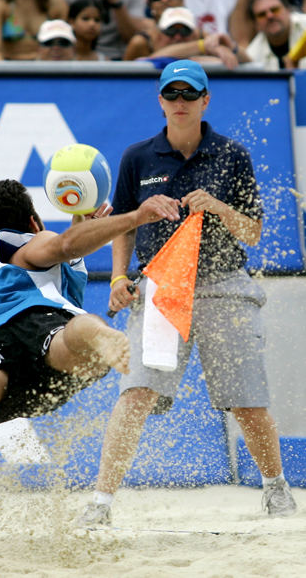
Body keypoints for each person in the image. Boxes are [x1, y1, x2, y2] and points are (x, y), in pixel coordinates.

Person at [77, 59, 297, 526]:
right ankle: (101, 504)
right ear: (160, 101)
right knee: (135, 392)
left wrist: (216, 205)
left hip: (223, 286)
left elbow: (254, 233)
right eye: (171, 95)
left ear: (205, 101)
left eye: (189, 95)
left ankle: (276, 490)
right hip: (159, 288)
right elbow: (124, 228)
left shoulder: (232, 154)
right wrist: (118, 279)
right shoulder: (138, 157)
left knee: (247, 398)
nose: (180, 102)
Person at [0, 179, 178, 428]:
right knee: (77, 337)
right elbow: (65, 246)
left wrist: (83, 229)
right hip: (36, 327)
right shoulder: (29, 244)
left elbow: (69, 250)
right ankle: (96, 333)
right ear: (34, 223)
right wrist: (135, 218)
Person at [124, 6, 250, 69]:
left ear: (195, 33)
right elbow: (158, 58)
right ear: (159, 33)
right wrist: (202, 46)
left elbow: (249, 61)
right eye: (171, 31)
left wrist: (230, 47)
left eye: (185, 31)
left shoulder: (203, 38)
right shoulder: (141, 43)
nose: (178, 37)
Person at [246, 0, 306, 71]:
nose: (270, 16)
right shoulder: (253, 54)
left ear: (288, 10)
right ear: (255, 24)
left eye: (275, 10)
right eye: (262, 14)